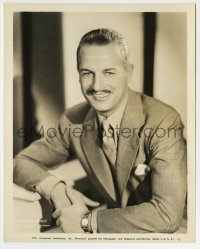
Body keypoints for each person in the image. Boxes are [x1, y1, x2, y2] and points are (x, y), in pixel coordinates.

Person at [13, 28, 187, 233]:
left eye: (109, 72)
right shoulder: (73, 120)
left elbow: (167, 216)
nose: (97, 85)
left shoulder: (163, 120)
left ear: (128, 72)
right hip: (114, 233)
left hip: (177, 234)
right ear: (79, 75)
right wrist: (55, 188)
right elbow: (21, 162)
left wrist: (86, 221)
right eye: (87, 73)